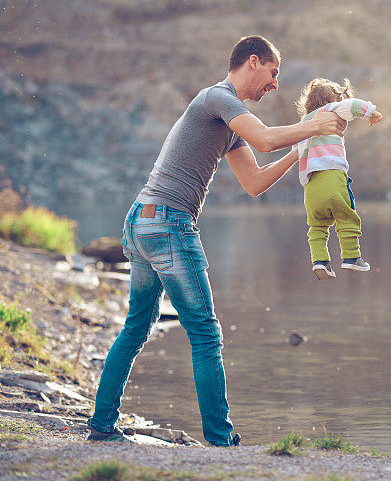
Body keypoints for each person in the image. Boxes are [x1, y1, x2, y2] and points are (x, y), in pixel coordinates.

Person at [87, 36, 346, 446]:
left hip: (142, 221)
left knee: (137, 326)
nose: (275, 85)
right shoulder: (218, 98)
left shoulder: (230, 124)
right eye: (274, 74)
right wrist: (314, 125)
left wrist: (301, 149)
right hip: (168, 224)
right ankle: (221, 441)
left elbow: (255, 182)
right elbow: (263, 137)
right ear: (253, 62)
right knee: (205, 333)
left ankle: (102, 426)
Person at [293, 78, 382, 280]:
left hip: (310, 187)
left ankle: (320, 262)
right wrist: (370, 112)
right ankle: (351, 257)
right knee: (347, 216)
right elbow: (351, 106)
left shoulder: (303, 123)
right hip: (331, 175)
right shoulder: (331, 110)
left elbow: (296, 150)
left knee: (316, 226)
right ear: (330, 100)